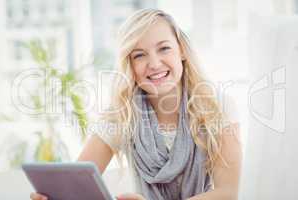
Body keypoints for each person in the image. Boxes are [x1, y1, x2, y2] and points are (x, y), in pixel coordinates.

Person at [30, 9, 242, 200]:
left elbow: (227, 193)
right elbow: (75, 184)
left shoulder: (218, 106)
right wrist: (55, 196)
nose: (154, 63)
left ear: (182, 51)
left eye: (164, 49)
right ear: (129, 64)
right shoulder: (121, 114)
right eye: (139, 55)